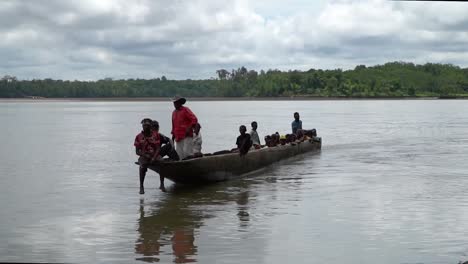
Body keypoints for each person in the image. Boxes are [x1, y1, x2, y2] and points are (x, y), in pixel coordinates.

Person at [134, 118, 161, 194]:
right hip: (144, 155)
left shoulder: (156, 135)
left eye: (147, 126)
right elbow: (137, 151)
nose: (145, 127)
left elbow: (158, 148)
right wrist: (145, 155)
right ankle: (141, 186)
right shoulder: (138, 136)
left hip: (154, 154)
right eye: (144, 125)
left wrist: (154, 157)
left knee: (162, 163)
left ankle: (161, 184)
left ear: (150, 127)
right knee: (142, 166)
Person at [151, 120, 179, 191]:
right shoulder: (150, 135)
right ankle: (174, 159)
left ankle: (173, 158)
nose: (155, 129)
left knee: (169, 147)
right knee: (169, 147)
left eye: (156, 127)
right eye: (154, 127)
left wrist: (172, 147)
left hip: (156, 154)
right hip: (153, 155)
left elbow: (169, 140)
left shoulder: (159, 135)